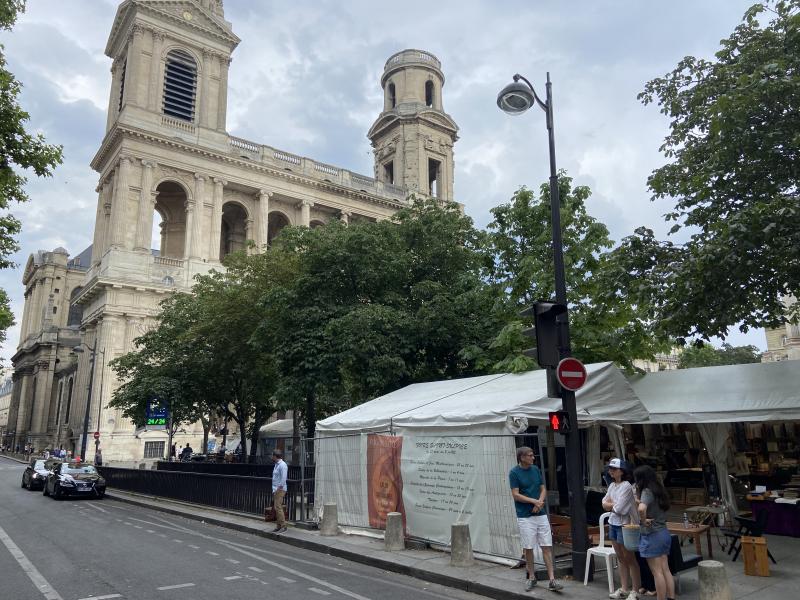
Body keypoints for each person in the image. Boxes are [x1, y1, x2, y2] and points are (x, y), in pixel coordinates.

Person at [509, 446, 563, 592]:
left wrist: (539, 502)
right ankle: (531, 577)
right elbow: (515, 494)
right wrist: (534, 502)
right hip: (525, 516)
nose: (533, 458)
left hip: (540, 514)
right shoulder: (514, 472)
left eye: (533, 455)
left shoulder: (535, 469)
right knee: (529, 547)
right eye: (530, 455)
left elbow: (543, 489)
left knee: (546, 546)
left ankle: (552, 579)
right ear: (522, 458)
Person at [602, 459, 641, 600]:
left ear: (622, 471)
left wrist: (610, 504)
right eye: (610, 468)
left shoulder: (626, 486)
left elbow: (620, 509)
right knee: (620, 558)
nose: (611, 470)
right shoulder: (612, 485)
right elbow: (603, 502)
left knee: (629, 558)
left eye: (614, 468)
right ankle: (624, 589)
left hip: (625, 526)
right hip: (613, 523)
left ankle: (635, 590)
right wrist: (612, 504)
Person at [634, 465, 674, 600]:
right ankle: (671, 597)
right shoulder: (658, 489)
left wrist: (643, 520)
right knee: (665, 569)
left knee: (657, 572)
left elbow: (641, 509)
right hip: (663, 532)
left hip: (652, 534)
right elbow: (646, 504)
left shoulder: (646, 491)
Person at [271, 449, 288, 533]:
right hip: (276, 489)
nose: (272, 457)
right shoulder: (276, 464)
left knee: (278, 507)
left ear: (275, 456)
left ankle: (283, 526)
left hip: (279, 489)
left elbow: (283, 478)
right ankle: (278, 525)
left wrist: (279, 488)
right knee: (276, 508)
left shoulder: (282, 465)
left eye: (272, 456)